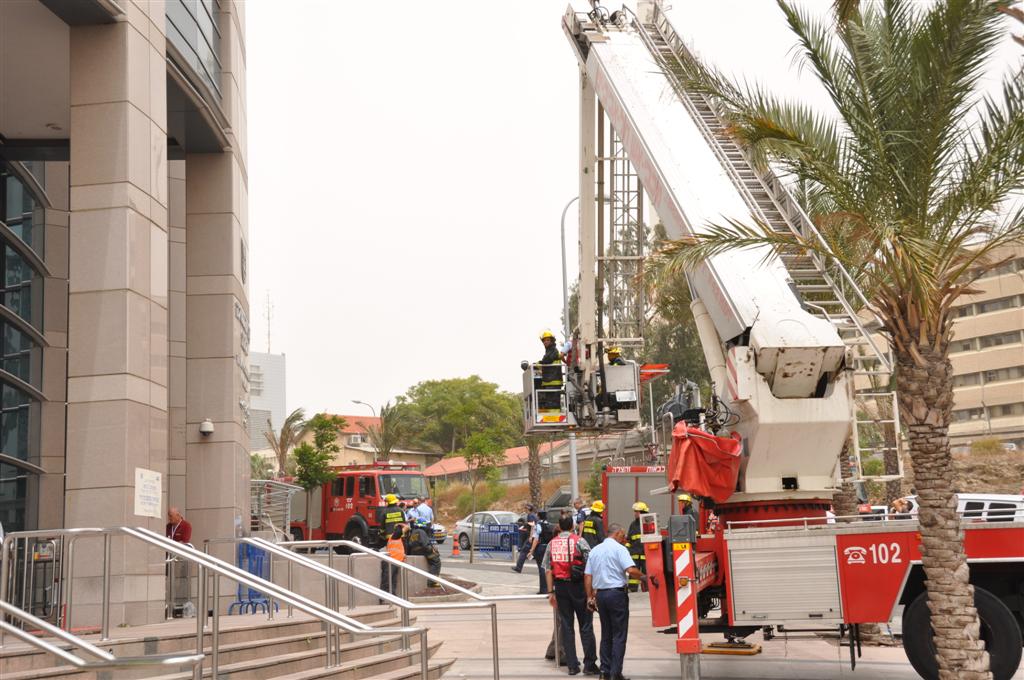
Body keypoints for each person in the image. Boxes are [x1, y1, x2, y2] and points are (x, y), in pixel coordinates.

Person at [584, 524, 651, 680]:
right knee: (619, 635)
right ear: (618, 533)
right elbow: (631, 570)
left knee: (606, 634)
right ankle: (615, 673)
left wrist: (589, 597)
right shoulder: (620, 549)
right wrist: (645, 578)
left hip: (601, 596)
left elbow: (588, 576)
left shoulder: (595, 550)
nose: (625, 538)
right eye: (623, 535)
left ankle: (604, 672)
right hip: (616, 595)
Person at [544, 515, 599, 676]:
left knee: (567, 627)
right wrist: (592, 590)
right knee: (586, 625)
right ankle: (589, 664)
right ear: (573, 525)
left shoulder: (551, 544)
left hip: (560, 588)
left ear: (559, 527)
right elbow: (591, 565)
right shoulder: (579, 541)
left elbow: (548, 569)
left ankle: (572, 665)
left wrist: (550, 592)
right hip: (579, 587)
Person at [406, 519, 442, 588]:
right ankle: (432, 581)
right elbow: (425, 545)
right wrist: (433, 550)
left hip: (415, 552)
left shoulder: (413, 532)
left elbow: (409, 545)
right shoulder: (421, 532)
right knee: (436, 561)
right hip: (423, 551)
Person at [527, 510, 555, 594]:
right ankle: (550, 587)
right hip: (549, 547)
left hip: (541, 548)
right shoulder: (549, 524)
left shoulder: (538, 525)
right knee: (549, 568)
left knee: (541, 568)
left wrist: (531, 550)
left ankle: (543, 589)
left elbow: (536, 538)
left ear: (539, 516)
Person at [624, 502, 648, 592]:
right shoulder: (633, 524)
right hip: (634, 554)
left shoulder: (648, 523)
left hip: (645, 554)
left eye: (636, 512)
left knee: (647, 573)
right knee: (633, 573)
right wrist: (627, 549)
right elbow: (629, 539)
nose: (635, 513)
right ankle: (632, 588)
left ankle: (648, 589)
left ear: (642, 512)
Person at [537, 330, 564, 410]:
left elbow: (547, 360)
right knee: (549, 403)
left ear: (552, 341)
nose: (545, 342)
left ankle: (554, 417)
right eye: (544, 340)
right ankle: (551, 416)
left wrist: (538, 363)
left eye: (548, 340)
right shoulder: (548, 351)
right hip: (549, 381)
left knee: (553, 404)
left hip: (554, 381)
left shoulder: (553, 350)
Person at [380, 525, 407, 596]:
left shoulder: (397, 538)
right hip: (391, 561)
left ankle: (393, 597)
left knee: (393, 580)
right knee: (387, 580)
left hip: (394, 561)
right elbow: (407, 527)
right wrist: (401, 524)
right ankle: (384, 598)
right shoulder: (395, 536)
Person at [512, 503, 538, 573]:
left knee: (523, 551)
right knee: (534, 552)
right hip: (534, 536)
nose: (525, 509)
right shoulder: (533, 515)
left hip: (532, 536)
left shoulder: (530, 515)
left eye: (526, 508)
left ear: (529, 509)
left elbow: (533, 526)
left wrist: (530, 536)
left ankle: (518, 567)